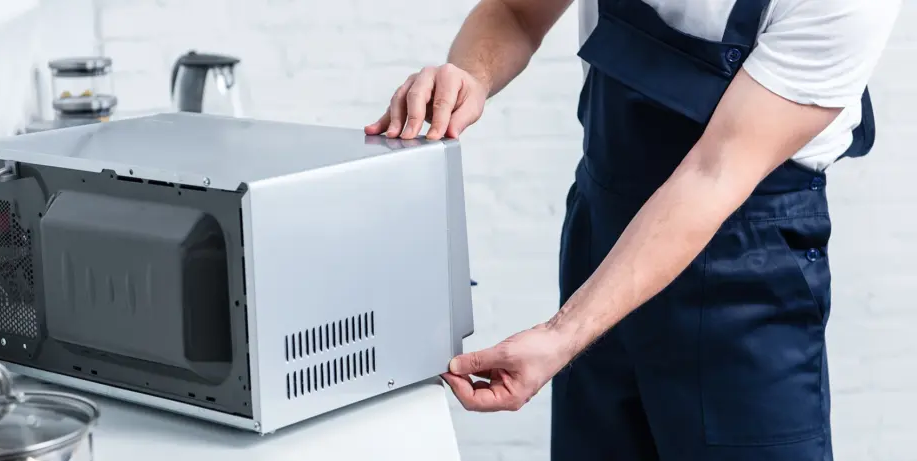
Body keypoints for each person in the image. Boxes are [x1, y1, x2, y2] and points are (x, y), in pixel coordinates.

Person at [364, 0, 901, 460]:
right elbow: (516, 12)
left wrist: (560, 335)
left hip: (750, 267)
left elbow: (715, 173)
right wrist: (469, 75)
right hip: (602, 232)